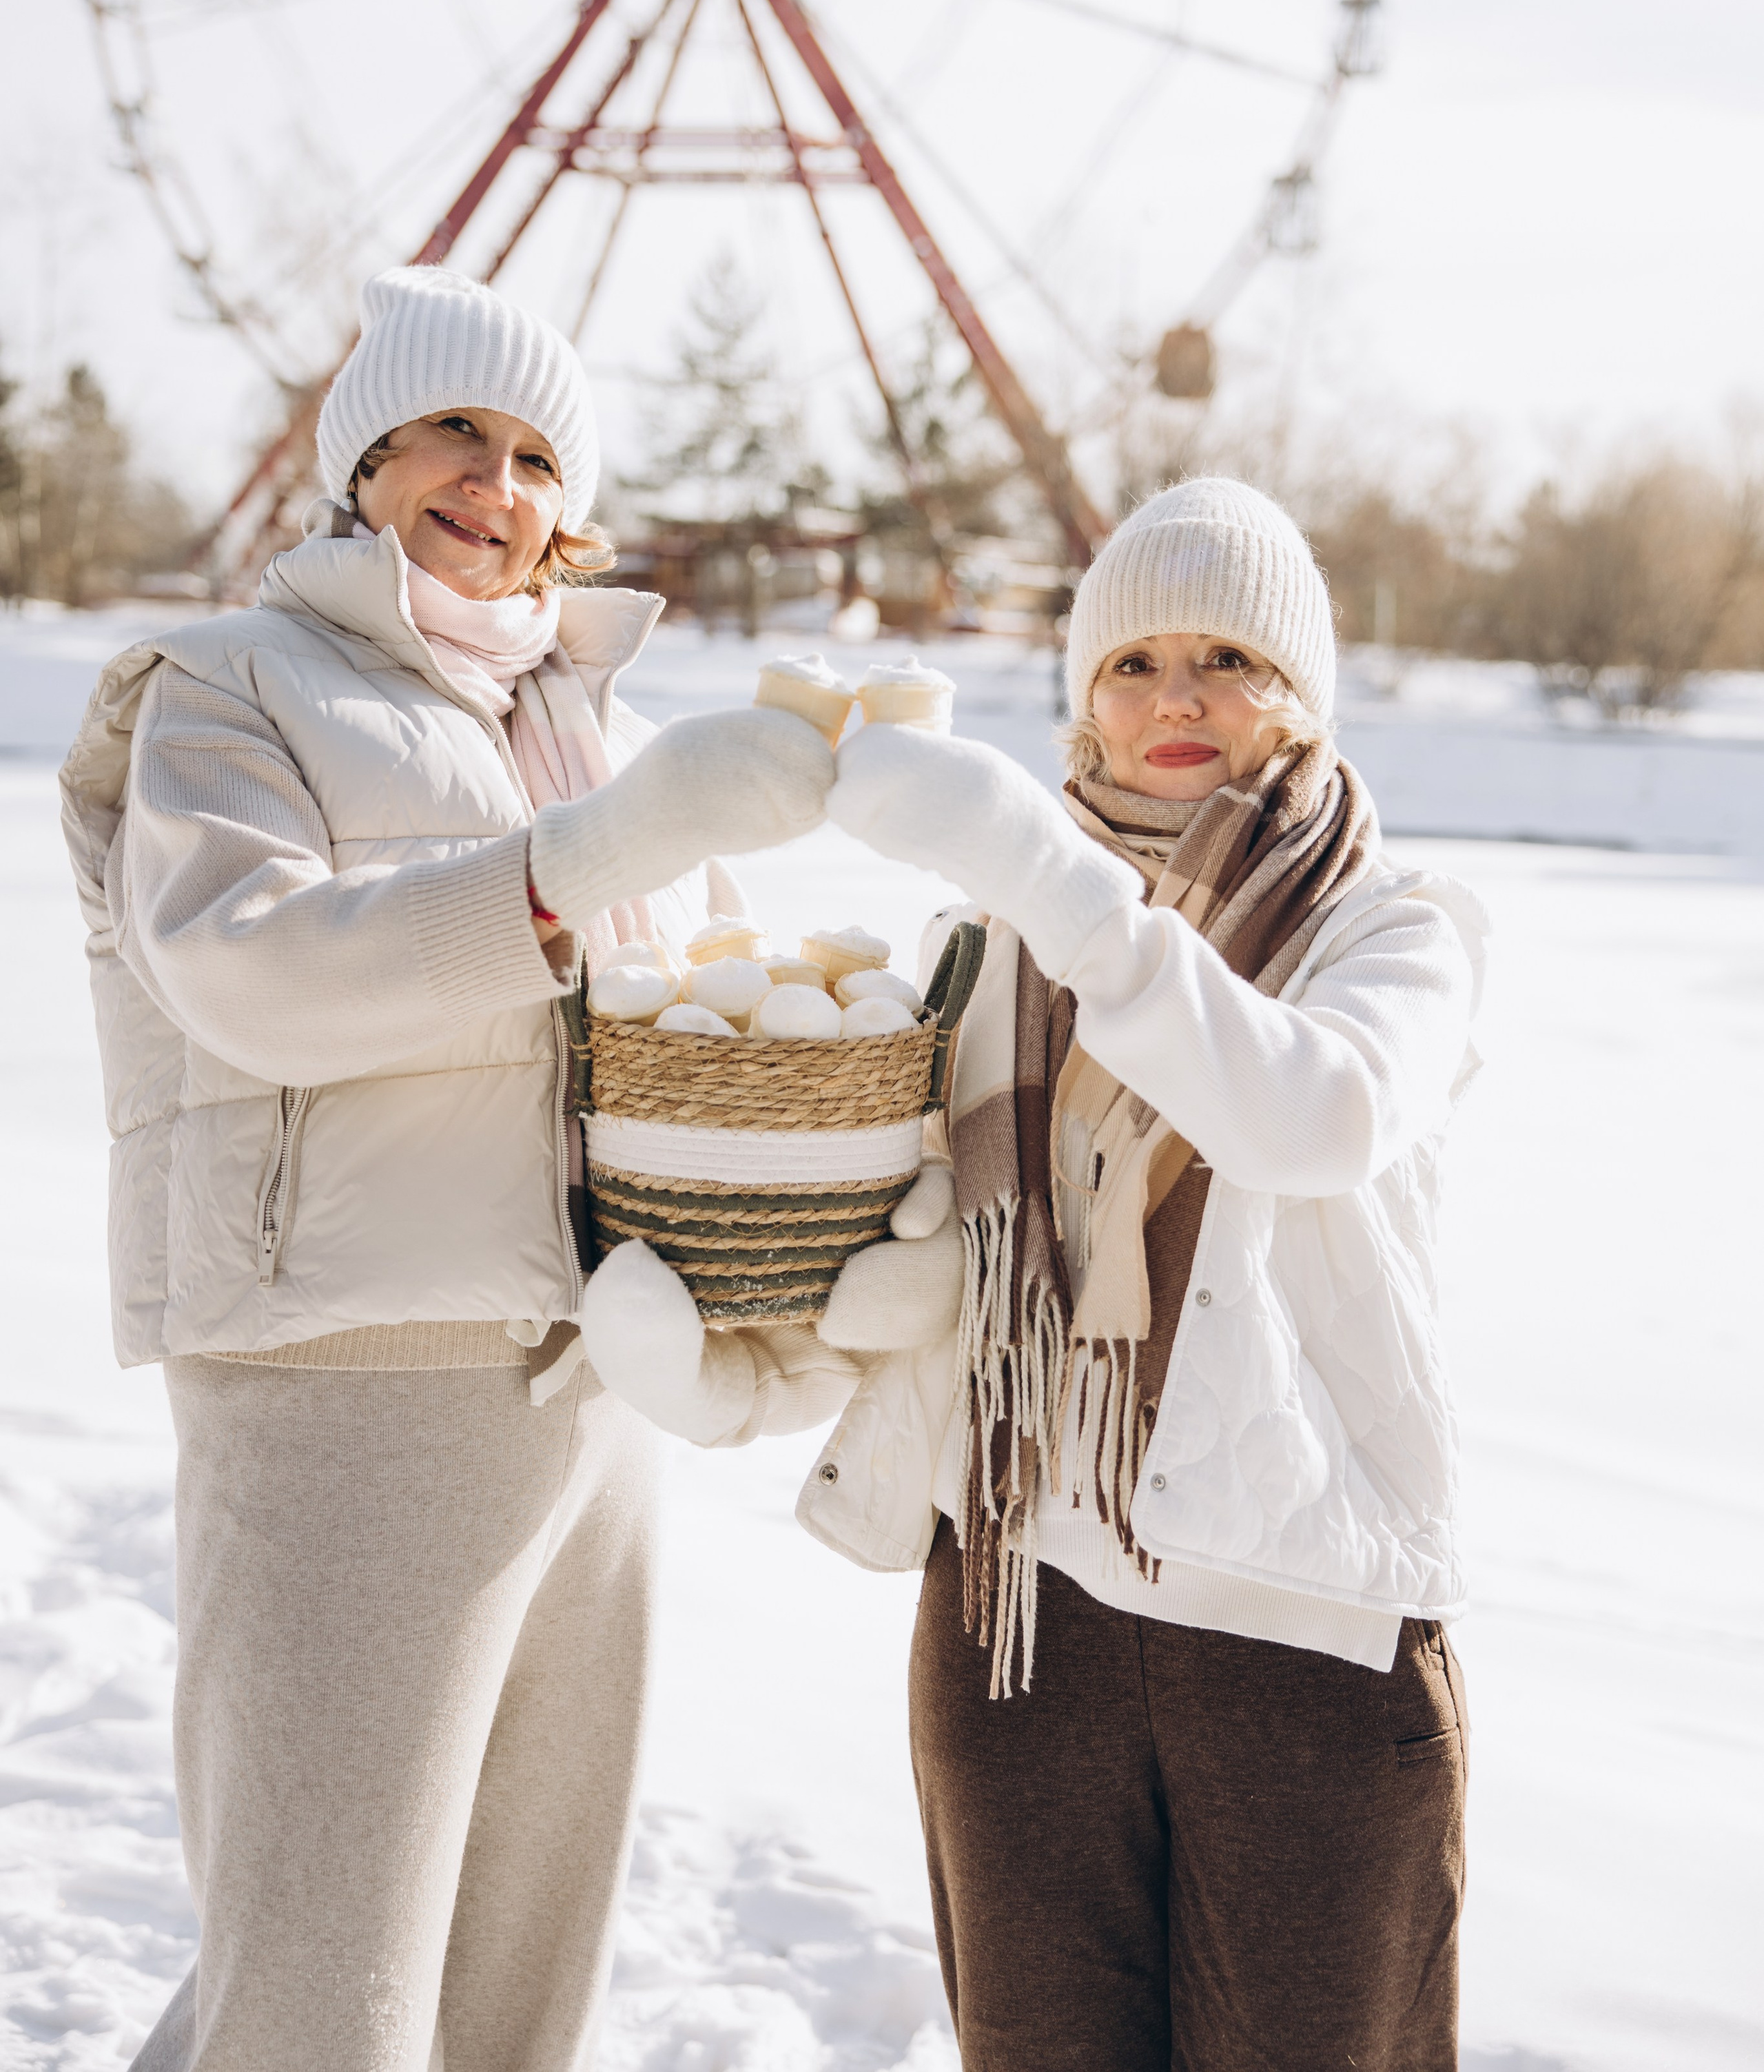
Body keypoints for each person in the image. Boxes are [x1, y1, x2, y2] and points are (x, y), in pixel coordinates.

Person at [587, 476, 1486, 2072]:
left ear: (1304, 697)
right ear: (1081, 696)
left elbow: (1307, 1115)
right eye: (1132, 664)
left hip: (1302, 1651)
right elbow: (913, 1272)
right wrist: (738, 1366)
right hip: (1015, 1622)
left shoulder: (1395, 931)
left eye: (1231, 660)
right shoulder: (989, 940)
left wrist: (1046, 879)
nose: (1177, 700)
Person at [59, 265, 839, 2072]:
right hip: (348, 1379)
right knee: (322, 1973)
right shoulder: (234, 686)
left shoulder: (605, 731)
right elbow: (250, 966)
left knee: (516, 1962)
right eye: (453, 435)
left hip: (595, 1383)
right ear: (365, 462)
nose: (499, 483)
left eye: (539, 454)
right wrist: (565, 873)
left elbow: (697, 1023)